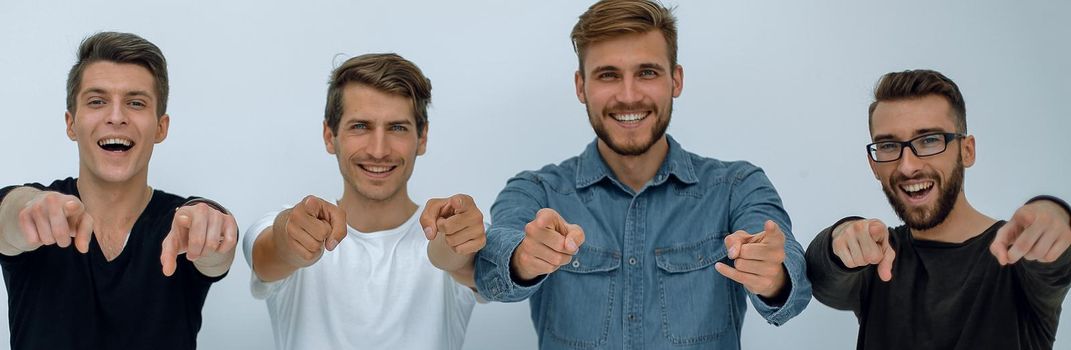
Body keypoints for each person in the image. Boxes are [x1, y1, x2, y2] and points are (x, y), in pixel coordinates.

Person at [474, 1, 811, 348]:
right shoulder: (535, 191)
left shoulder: (738, 186)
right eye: (608, 75)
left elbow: (795, 287)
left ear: (675, 80)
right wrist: (523, 258)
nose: (629, 96)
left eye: (647, 72)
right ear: (580, 86)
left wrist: (773, 276)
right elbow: (488, 272)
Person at [0, 32, 238, 350]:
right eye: (97, 101)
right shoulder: (40, 210)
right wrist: (28, 209)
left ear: (160, 127)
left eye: (135, 103)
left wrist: (214, 230)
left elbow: (215, 251)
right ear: (71, 123)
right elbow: (10, 215)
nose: (116, 117)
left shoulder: (183, 224)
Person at [805, 69, 1071, 350]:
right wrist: (842, 237)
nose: (908, 166)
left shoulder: (1018, 254)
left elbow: (1058, 260)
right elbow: (821, 278)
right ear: (873, 165)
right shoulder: (879, 257)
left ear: (967, 151)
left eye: (929, 140)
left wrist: (1055, 216)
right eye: (888, 145)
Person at [241, 53, 483, 350]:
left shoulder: (460, 228)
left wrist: (455, 245)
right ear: (330, 136)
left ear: (422, 138)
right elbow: (271, 254)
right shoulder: (291, 226)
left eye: (397, 128)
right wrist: (289, 238)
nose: (379, 150)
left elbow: (464, 262)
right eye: (360, 126)